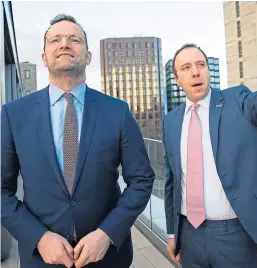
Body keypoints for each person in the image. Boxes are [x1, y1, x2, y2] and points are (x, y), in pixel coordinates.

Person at [1, 14, 155, 268]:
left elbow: (141, 180)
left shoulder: (117, 111)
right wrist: (38, 237)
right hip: (41, 259)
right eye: (55, 40)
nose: (64, 44)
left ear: (88, 56)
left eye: (74, 39)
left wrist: (107, 233)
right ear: (43, 57)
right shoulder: (14, 114)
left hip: (108, 257)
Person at [162, 43, 257, 268]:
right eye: (186, 67)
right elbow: (172, 181)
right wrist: (171, 233)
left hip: (235, 234)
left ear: (208, 70)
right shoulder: (171, 121)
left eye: (200, 65)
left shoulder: (237, 99)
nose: (195, 72)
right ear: (177, 79)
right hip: (189, 236)